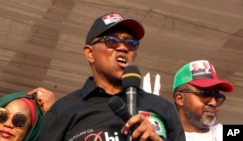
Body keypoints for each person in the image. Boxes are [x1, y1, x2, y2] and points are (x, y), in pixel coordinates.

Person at [38, 13, 185, 141]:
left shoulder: (162, 108)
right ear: (90, 53)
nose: (123, 48)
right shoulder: (64, 109)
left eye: (131, 43)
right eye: (112, 41)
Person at [172, 60, 234, 141]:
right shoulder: (160, 136)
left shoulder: (222, 133)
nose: (214, 103)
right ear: (180, 99)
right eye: (205, 94)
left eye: (217, 97)